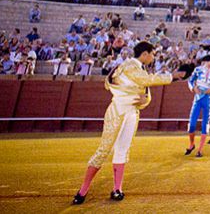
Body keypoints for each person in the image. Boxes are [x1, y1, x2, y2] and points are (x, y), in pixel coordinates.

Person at [72, 42, 184, 204]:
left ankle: (117, 189)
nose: (153, 58)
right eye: (152, 54)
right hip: (118, 110)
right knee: (104, 150)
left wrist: (143, 101)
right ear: (145, 54)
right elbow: (147, 81)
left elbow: (145, 94)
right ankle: (83, 190)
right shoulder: (130, 65)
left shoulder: (138, 69)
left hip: (131, 112)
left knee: (122, 150)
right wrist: (171, 77)